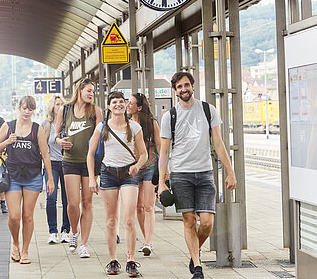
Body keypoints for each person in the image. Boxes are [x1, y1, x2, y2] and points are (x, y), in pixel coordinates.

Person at [158, 72, 237, 279]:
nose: (183, 89)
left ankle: (195, 254)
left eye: (186, 85)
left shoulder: (208, 110)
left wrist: (231, 172)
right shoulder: (170, 116)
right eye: (179, 87)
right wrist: (161, 182)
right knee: (189, 220)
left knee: (207, 222)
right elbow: (164, 152)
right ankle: (198, 267)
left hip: (204, 173)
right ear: (175, 91)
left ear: (192, 86)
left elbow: (218, 143)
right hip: (181, 174)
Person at [88, 91, 148, 277]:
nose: (118, 105)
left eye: (121, 102)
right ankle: (113, 260)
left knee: (129, 219)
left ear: (125, 105)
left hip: (129, 173)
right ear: (108, 106)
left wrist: (137, 166)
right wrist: (92, 177)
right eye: (114, 102)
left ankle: (130, 261)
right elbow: (90, 154)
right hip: (108, 173)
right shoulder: (102, 127)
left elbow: (144, 154)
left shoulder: (135, 127)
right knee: (111, 220)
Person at [0, 96, 55, 264]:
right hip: (12, 176)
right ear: (19, 108)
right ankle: (15, 243)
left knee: (27, 216)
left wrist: (50, 179)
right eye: (25, 108)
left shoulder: (37, 129)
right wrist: (7, 141)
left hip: (33, 177)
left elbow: (45, 154)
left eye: (31, 109)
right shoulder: (8, 126)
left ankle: (25, 250)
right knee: (14, 216)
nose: (27, 112)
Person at [55, 78, 103, 258]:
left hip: (88, 163)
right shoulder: (65, 109)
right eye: (88, 90)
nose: (91, 94)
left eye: (93, 91)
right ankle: (74, 231)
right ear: (80, 90)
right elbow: (56, 134)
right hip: (69, 160)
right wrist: (60, 141)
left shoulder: (96, 111)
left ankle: (84, 243)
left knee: (87, 203)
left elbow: (101, 136)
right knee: (73, 204)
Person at [127, 93, 161, 256]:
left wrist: (165, 170)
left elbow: (160, 148)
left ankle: (148, 242)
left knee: (148, 206)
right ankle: (145, 238)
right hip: (133, 168)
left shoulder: (151, 123)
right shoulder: (126, 123)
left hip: (149, 166)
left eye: (131, 103)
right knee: (138, 207)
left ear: (139, 107)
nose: (128, 105)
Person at [42, 96, 70, 244]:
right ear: (52, 107)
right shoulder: (46, 125)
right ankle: (52, 231)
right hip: (51, 164)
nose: (60, 107)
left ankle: (66, 230)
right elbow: (41, 147)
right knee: (51, 197)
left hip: (67, 164)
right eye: (57, 104)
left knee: (68, 199)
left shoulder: (69, 123)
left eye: (62, 104)